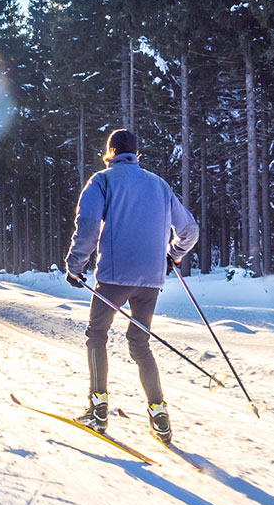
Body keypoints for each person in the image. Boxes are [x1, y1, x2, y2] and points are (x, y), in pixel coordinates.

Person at [65, 128, 198, 443]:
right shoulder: (159, 184)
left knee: (97, 335)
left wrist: (75, 265)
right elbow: (189, 230)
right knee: (140, 343)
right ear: (136, 155)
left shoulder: (103, 181)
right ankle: (159, 414)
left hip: (113, 277)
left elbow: (87, 226)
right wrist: (172, 256)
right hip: (151, 280)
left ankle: (98, 410)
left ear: (110, 152)